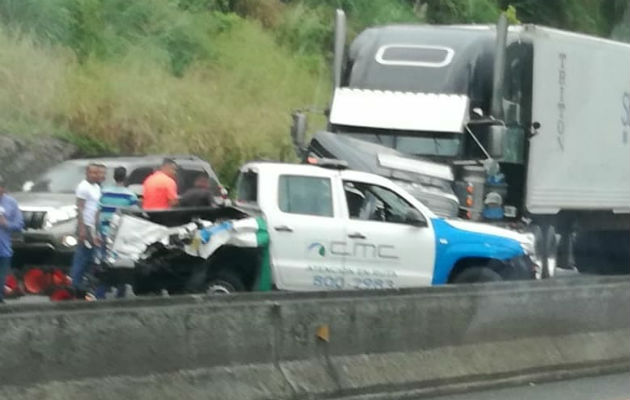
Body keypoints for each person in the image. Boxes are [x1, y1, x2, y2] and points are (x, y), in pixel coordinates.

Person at [95, 166, 138, 299]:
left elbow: (97, 212)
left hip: (105, 231)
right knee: (121, 263)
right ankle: (120, 291)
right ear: (125, 178)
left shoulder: (104, 193)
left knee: (104, 262)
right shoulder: (130, 195)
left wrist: (97, 231)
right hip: (120, 234)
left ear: (114, 177)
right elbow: (134, 216)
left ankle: (100, 292)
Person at [70, 163, 102, 295]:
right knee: (82, 255)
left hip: (93, 226)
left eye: (97, 173)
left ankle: (84, 283)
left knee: (91, 256)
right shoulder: (83, 187)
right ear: (87, 173)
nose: (95, 175)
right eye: (92, 173)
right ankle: (74, 283)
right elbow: (80, 208)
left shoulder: (96, 187)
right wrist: (82, 228)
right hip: (86, 225)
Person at [0, 176, 23, 303]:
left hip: (3, 249)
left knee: (1, 278)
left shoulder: (11, 203)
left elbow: (19, 224)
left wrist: (5, 223)